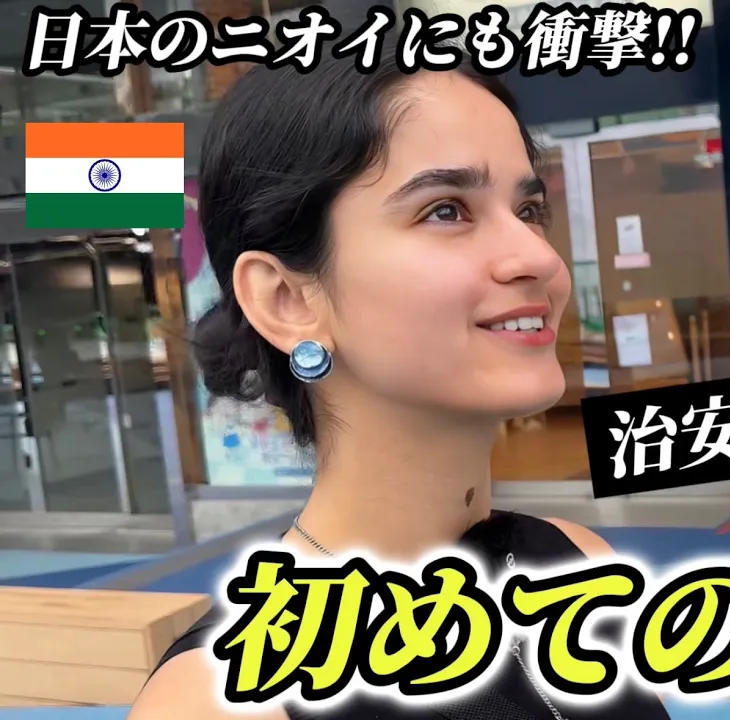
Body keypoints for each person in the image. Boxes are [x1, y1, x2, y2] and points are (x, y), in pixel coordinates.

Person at [129, 41, 670, 720]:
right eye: (445, 210)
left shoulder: (576, 563)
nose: (537, 258)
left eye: (528, 211)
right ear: (286, 301)